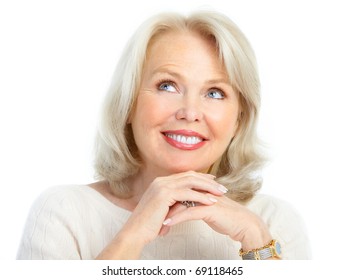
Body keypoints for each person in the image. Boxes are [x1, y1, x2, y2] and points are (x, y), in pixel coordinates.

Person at [17, 10, 311, 260]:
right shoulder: (62, 213)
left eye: (214, 92)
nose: (190, 112)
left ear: (238, 121)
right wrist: (133, 235)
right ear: (128, 104)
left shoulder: (275, 222)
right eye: (167, 86)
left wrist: (257, 240)